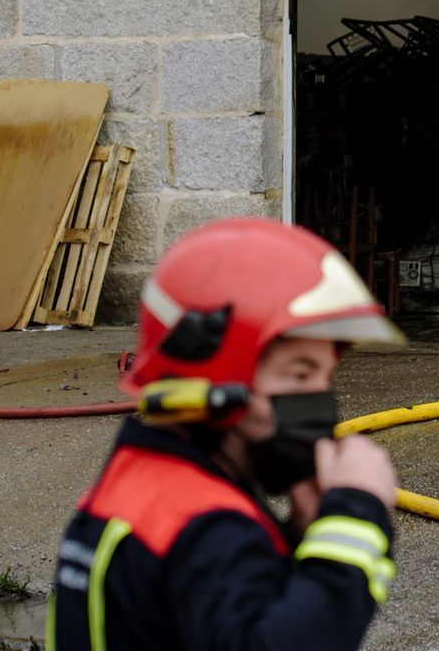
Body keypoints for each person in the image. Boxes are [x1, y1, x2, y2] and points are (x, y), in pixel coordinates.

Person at [47, 218, 407, 651]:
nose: (320, 402)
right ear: (217, 379)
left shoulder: (141, 482)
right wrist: (356, 514)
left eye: (326, 378)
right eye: (299, 375)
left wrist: (298, 536)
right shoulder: (209, 527)